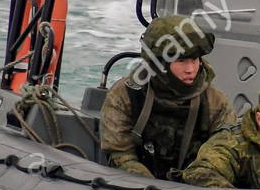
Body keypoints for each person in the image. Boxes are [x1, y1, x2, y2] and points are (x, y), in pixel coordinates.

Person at [99, 14, 236, 179]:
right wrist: (149, 186)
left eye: (195, 59)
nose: (191, 69)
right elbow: (120, 153)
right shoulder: (126, 94)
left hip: (194, 189)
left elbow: (223, 154)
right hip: (137, 187)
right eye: (182, 61)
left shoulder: (215, 102)